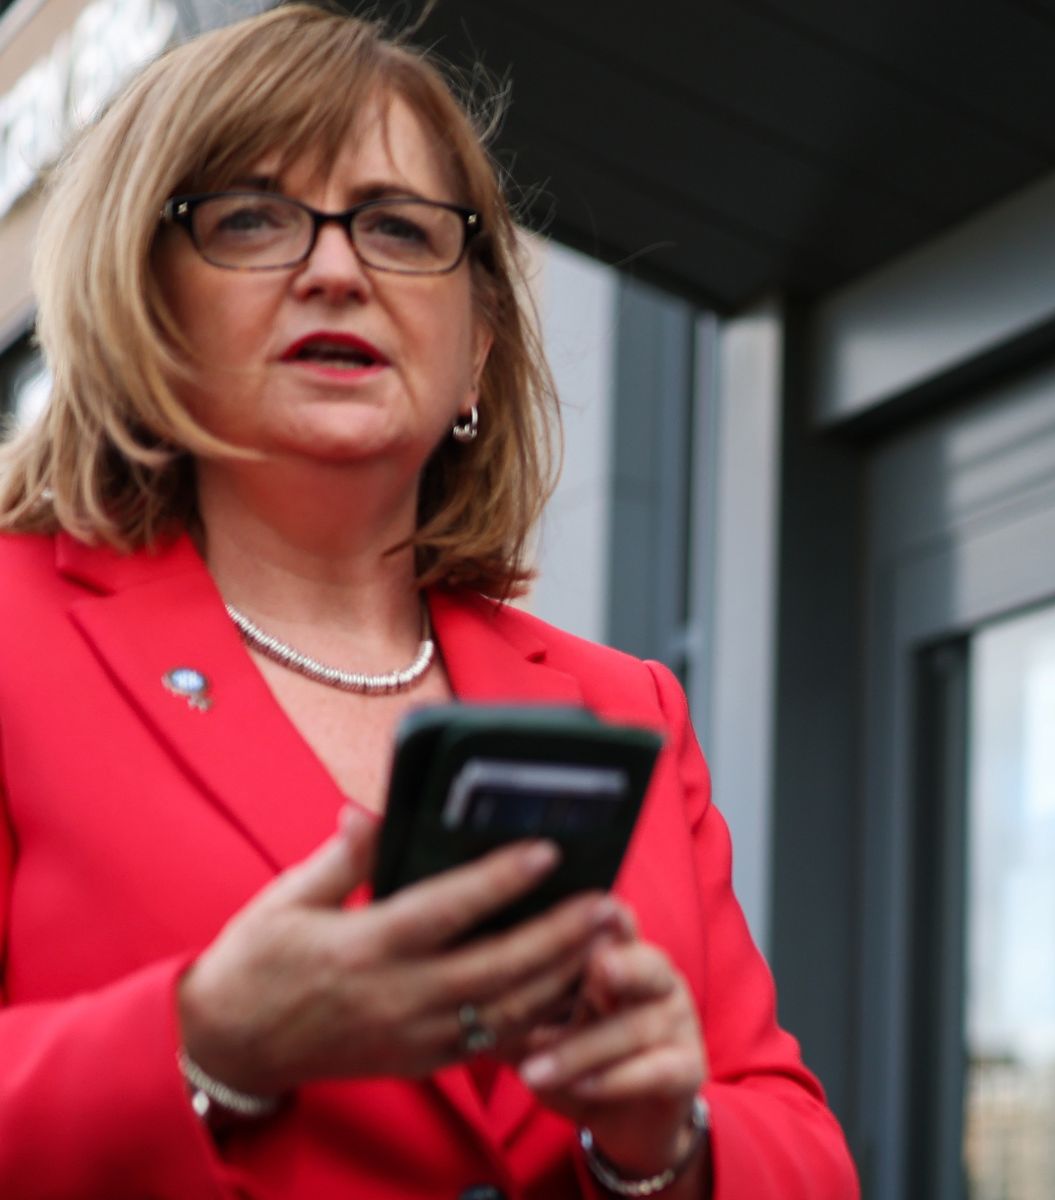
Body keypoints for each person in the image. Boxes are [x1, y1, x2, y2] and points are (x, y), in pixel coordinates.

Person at [0, 7, 858, 1198]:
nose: (338, 268)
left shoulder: (628, 707)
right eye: (253, 219)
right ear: (145, 299)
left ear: (477, 347)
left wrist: (667, 1141)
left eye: (401, 229)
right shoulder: (15, 636)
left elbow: (801, 1146)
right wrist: (204, 1044)